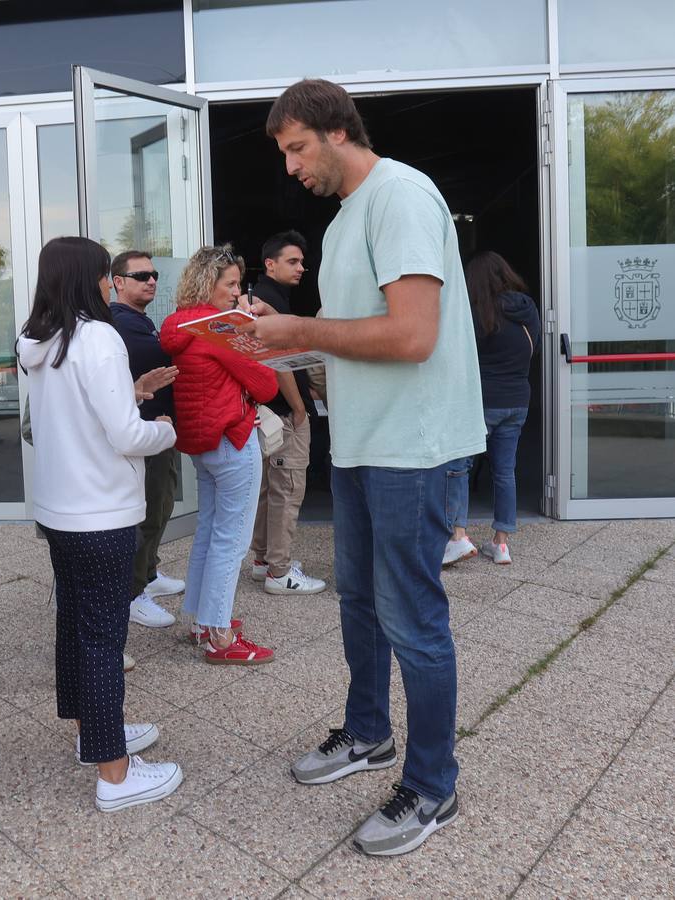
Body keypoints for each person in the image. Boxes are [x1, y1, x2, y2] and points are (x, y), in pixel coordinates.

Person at [245, 78, 485, 856]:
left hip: (411, 449)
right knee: (359, 603)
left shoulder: (402, 195)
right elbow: (356, 336)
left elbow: (412, 335)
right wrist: (280, 341)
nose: (290, 168)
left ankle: (432, 786)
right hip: (362, 442)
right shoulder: (348, 218)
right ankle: (370, 735)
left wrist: (300, 325)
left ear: (336, 131)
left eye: (296, 148)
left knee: (413, 619)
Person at [17, 236, 183, 812]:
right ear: (94, 280)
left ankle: (93, 732)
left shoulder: (39, 341)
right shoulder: (100, 337)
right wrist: (166, 430)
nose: (113, 284)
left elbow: (77, 415)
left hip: (60, 512)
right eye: (107, 276)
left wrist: (134, 393)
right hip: (103, 514)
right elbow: (126, 436)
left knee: (75, 625)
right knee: (104, 636)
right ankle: (115, 774)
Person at [161, 245, 279, 665]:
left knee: (210, 532)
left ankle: (200, 621)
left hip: (201, 444)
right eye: (229, 284)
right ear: (208, 283)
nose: (235, 292)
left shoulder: (176, 325)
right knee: (233, 539)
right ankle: (220, 636)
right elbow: (267, 387)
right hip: (232, 439)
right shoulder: (220, 329)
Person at [443, 251, 540, 566]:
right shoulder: (528, 311)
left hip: (482, 402)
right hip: (517, 401)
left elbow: (461, 357)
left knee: (458, 466)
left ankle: (458, 536)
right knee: (505, 471)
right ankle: (501, 544)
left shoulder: (479, 312)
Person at [246, 232, 327, 595]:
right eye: (292, 261)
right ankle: (279, 572)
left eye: (302, 261)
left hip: (268, 413)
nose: (301, 268)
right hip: (282, 413)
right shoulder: (266, 301)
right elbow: (277, 363)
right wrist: (298, 409)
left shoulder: (266, 298)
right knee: (287, 490)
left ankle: (264, 561)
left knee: (270, 489)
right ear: (270, 264)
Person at [110, 250, 185, 629]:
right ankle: (132, 593)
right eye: (141, 275)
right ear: (118, 282)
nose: (152, 280)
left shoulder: (141, 321)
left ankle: (149, 576)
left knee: (161, 507)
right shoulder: (117, 322)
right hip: (141, 436)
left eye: (154, 274)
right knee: (148, 514)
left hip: (158, 432)